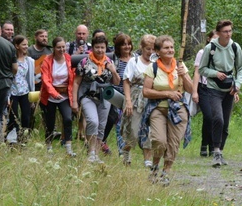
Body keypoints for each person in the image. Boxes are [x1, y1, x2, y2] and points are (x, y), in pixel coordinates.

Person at [141, 35, 192, 185]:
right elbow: (146, 91)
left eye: (171, 47)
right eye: (166, 48)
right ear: (158, 51)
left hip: (178, 108)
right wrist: (167, 93)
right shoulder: (153, 67)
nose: (170, 50)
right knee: (159, 140)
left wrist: (184, 76)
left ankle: (166, 172)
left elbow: (189, 89)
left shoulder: (180, 66)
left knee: (173, 142)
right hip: (158, 107)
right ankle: (155, 166)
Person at [199, 20, 242, 167]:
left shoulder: (235, 46)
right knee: (217, 118)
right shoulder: (210, 48)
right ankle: (216, 151)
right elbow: (202, 69)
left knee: (225, 122)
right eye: (225, 31)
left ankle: (220, 151)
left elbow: (241, 68)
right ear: (218, 33)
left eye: (230, 31)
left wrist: (237, 85)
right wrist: (215, 73)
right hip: (213, 88)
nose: (228, 34)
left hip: (229, 89)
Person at [72, 35, 120, 163]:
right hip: (88, 95)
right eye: (97, 47)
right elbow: (76, 82)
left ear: (106, 48)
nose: (100, 50)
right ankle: (91, 151)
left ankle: (96, 154)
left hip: (105, 97)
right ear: (92, 48)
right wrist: (74, 101)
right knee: (93, 121)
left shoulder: (110, 62)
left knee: (102, 125)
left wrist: (113, 71)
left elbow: (116, 82)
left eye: (102, 47)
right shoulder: (84, 62)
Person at [121, 34, 155, 168]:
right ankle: (126, 149)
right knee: (134, 130)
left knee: (150, 130)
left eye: (153, 49)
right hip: (135, 98)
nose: (150, 52)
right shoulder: (133, 61)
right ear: (141, 47)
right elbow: (126, 81)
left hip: (151, 98)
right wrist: (128, 101)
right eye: (148, 49)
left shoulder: (156, 63)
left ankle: (148, 159)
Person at [40, 37, 77, 157]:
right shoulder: (47, 60)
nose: (61, 49)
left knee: (67, 119)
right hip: (50, 95)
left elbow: (74, 76)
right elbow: (45, 80)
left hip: (65, 95)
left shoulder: (69, 59)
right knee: (50, 123)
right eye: (59, 47)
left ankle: (68, 148)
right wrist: (54, 93)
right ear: (54, 48)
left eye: (63, 47)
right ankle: (49, 146)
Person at [192, 31, 217, 157]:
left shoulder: (223, 53)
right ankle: (204, 143)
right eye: (214, 38)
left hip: (217, 88)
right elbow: (197, 72)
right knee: (208, 116)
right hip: (204, 87)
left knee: (215, 117)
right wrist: (194, 91)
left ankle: (211, 145)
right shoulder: (202, 53)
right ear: (209, 39)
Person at [7, 35, 35, 139]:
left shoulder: (29, 61)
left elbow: (31, 79)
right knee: (13, 117)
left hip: (25, 91)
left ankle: (24, 137)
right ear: (17, 46)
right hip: (12, 92)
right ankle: (12, 137)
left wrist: (32, 98)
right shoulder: (10, 60)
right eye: (24, 44)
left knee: (26, 117)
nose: (26, 46)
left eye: (27, 44)